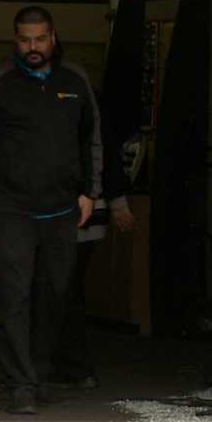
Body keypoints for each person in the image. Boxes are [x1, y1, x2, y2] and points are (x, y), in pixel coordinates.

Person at [0, 5, 103, 415]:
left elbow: (91, 139)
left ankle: (39, 377)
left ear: (53, 38)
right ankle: (19, 385)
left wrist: (91, 191)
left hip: (61, 211)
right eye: (24, 40)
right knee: (13, 298)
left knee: (54, 296)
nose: (32, 47)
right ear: (14, 39)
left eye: (40, 40)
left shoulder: (75, 81)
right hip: (9, 211)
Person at [48, 124, 135, 391]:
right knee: (68, 293)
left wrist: (117, 200)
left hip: (68, 213)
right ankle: (69, 367)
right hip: (81, 213)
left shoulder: (72, 106)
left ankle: (71, 367)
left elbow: (103, 155)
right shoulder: (80, 103)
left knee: (62, 293)